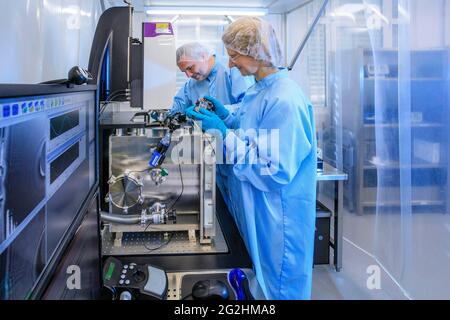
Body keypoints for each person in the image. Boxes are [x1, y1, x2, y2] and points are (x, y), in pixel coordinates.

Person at [186, 17, 317, 300]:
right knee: (258, 289)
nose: (230, 64)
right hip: (257, 212)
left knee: (277, 289)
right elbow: (253, 131)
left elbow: (273, 170)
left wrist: (224, 134)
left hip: (277, 220)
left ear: (257, 52)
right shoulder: (260, 89)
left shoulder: (286, 99)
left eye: (234, 56)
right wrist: (227, 117)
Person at [169, 42, 253, 207]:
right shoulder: (192, 83)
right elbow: (177, 106)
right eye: (184, 71)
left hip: (239, 151)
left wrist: (221, 113)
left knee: (242, 205)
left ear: (203, 57)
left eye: (190, 68)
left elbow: (248, 108)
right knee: (224, 208)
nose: (188, 75)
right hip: (213, 155)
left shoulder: (232, 70)